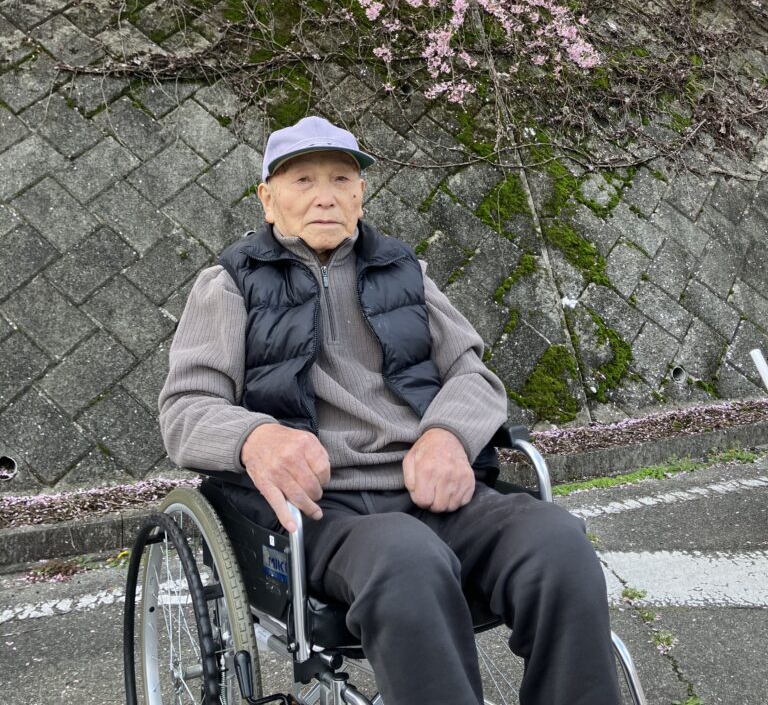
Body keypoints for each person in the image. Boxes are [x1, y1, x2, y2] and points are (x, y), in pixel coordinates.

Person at [159, 115, 621, 705]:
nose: (324, 196)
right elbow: (186, 407)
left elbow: (472, 374)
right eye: (302, 180)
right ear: (268, 199)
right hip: (324, 510)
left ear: (360, 193)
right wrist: (255, 438)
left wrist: (448, 436)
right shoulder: (229, 285)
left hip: (431, 492)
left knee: (557, 543)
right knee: (407, 559)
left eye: (340, 178)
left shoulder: (405, 272)